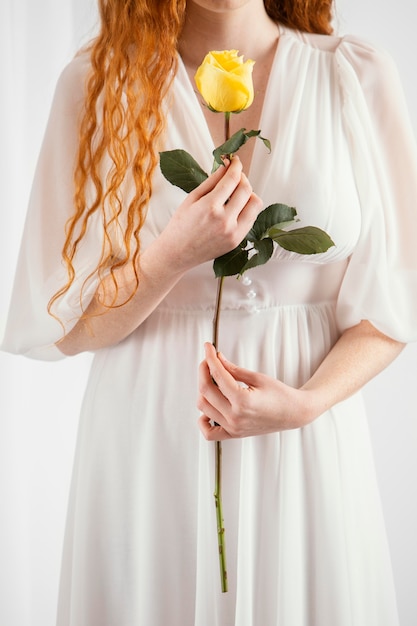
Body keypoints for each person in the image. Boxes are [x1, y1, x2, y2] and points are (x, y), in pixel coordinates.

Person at [2, 0, 417, 624]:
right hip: (149, 442)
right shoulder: (97, 83)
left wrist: (305, 405)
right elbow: (66, 323)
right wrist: (169, 257)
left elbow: (395, 304)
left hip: (304, 444)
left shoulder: (355, 76)